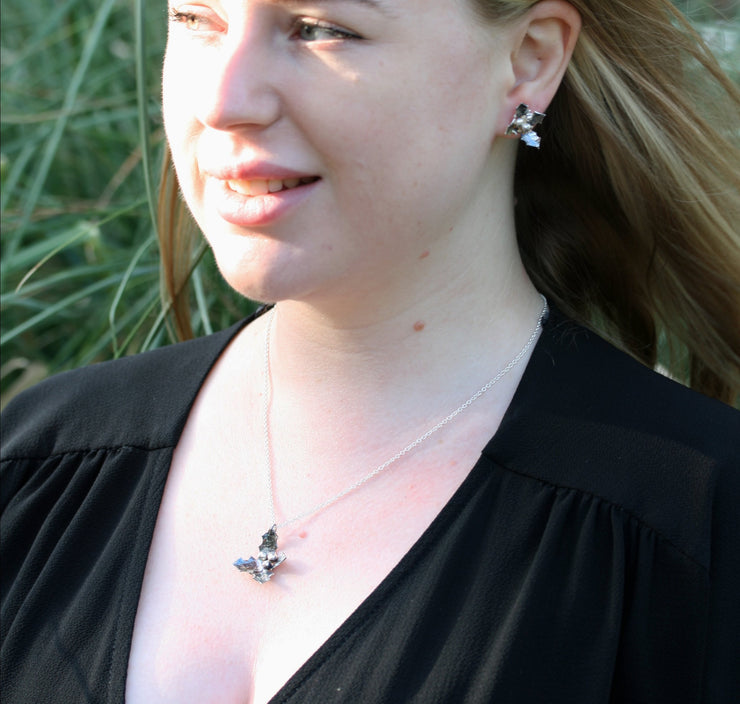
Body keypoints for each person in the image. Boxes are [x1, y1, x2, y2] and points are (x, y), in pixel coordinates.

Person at [2, 0, 739, 702]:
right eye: (196, 18)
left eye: (320, 28)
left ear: (528, 60)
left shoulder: (693, 532)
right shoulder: (37, 463)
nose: (223, 102)